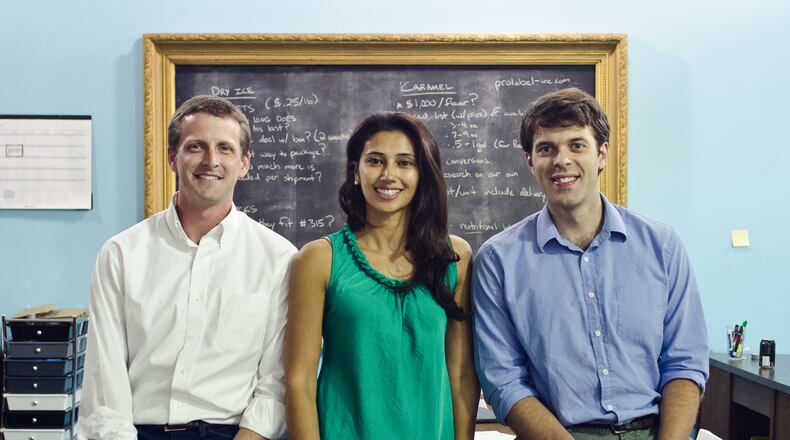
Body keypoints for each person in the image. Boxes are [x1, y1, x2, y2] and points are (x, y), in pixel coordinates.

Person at [472, 88, 709, 439]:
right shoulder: (497, 261)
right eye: (546, 148)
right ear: (529, 161)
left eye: (576, 145)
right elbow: (503, 380)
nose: (561, 160)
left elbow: (685, 363)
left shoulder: (663, 246)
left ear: (602, 154)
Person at [80, 95, 296, 440]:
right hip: (137, 433)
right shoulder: (121, 253)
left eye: (225, 149)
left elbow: (276, 383)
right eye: (196, 147)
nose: (211, 161)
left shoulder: (279, 258)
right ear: (172, 158)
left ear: (244, 163)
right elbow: (105, 383)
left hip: (233, 434)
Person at [284, 112, 479, 439]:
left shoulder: (454, 258)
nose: (389, 175)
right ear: (355, 172)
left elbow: (461, 375)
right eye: (375, 161)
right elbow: (298, 379)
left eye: (405, 163)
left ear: (422, 174)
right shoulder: (319, 260)